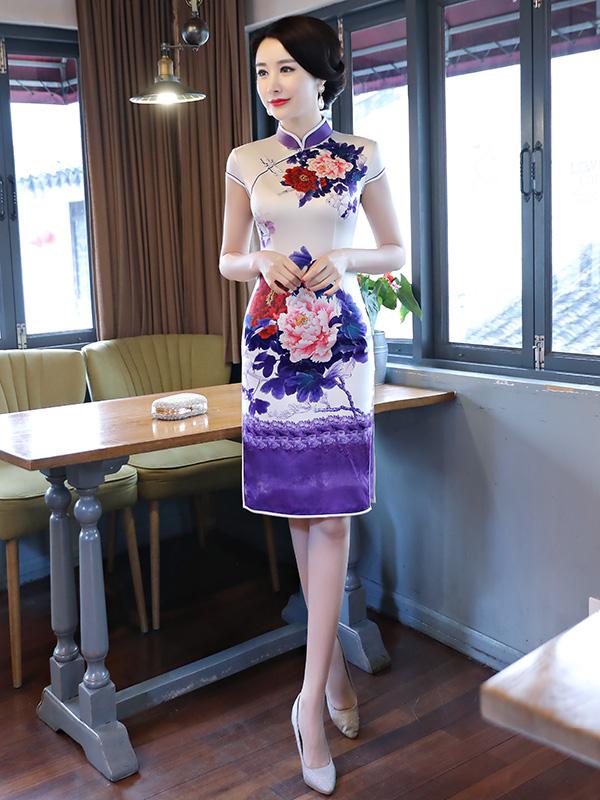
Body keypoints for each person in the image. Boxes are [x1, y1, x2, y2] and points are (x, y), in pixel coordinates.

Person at [219, 14, 405, 795]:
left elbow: (396, 250)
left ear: (323, 75)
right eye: (263, 71)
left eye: (287, 68)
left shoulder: (362, 153)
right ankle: (328, 678)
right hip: (271, 340)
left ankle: (306, 703)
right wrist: (258, 258)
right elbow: (227, 258)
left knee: (332, 514)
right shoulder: (245, 160)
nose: (272, 84)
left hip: (342, 342)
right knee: (303, 513)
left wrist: (345, 258)